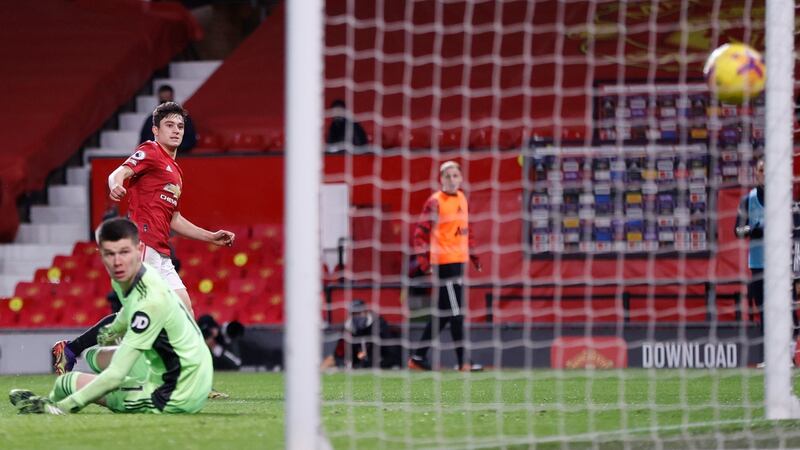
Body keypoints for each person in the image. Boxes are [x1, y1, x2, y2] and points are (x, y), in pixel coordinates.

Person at [52, 101, 235, 380]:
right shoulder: (150, 151)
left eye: (180, 126)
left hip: (161, 252)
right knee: (142, 315)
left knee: (183, 312)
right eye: (169, 126)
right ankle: (81, 352)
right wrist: (116, 183)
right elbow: (121, 171)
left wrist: (211, 237)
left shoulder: (175, 170)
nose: (176, 131)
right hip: (143, 246)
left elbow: (174, 219)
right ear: (155, 130)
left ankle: (74, 349)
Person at [10, 218, 213, 415]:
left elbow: (114, 375)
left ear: (140, 250)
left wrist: (63, 406)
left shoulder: (149, 303)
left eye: (124, 252)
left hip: (179, 393)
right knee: (94, 356)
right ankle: (127, 384)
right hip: (188, 367)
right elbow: (128, 307)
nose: (117, 262)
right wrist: (114, 328)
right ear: (101, 255)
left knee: (67, 382)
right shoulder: (136, 274)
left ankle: (53, 403)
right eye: (110, 254)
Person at [408, 161, 482, 371]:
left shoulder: (462, 199)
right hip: (444, 263)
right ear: (441, 179)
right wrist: (424, 262)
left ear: (460, 178)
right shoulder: (435, 202)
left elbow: (466, 231)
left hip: (459, 262)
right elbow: (420, 234)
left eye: (455, 176)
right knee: (456, 312)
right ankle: (463, 363)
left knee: (443, 314)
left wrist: (474, 256)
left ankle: (418, 357)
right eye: (447, 176)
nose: (451, 180)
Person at [735, 157, 799, 366]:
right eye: (761, 170)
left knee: (785, 311)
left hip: (781, 266)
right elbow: (737, 230)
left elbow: (793, 228)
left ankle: (788, 355)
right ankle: (767, 357)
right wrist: (753, 230)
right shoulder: (748, 200)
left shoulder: (782, 199)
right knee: (764, 312)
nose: (764, 174)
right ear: (757, 174)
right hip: (758, 265)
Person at [320, 300, 402, 370]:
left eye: (359, 313)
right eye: (354, 314)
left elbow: (392, 355)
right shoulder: (349, 329)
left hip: (384, 366)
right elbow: (338, 354)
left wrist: (369, 364)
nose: (357, 317)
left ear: (366, 312)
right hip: (360, 367)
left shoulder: (379, 326)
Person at [140, 85, 197, 153]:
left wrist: (173, 148)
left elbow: (190, 140)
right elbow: (144, 140)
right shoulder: (151, 120)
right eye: (163, 101)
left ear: (172, 98)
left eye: (168, 101)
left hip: (178, 156)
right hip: (156, 156)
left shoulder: (183, 118)